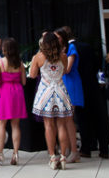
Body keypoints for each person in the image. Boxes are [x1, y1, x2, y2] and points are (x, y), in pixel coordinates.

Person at [30, 32, 73, 170]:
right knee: (62, 125)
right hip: (60, 91)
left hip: (46, 92)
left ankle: (53, 157)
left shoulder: (39, 57)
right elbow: (65, 71)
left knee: (48, 126)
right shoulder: (63, 56)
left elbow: (32, 74)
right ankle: (64, 157)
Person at [0, 38, 26, 166]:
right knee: (16, 125)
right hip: (17, 93)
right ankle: (15, 154)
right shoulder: (20, 64)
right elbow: (24, 82)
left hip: (5, 93)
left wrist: (0, 82)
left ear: (5, 50)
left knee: (1, 125)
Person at [56, 27, 84, 164]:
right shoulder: (61, 50)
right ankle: (66, 149)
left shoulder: (71, 48)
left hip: (71, 83)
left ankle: (73, 150)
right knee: (63, 119)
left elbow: (67, 69)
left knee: (68, 118)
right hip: (63, 84)